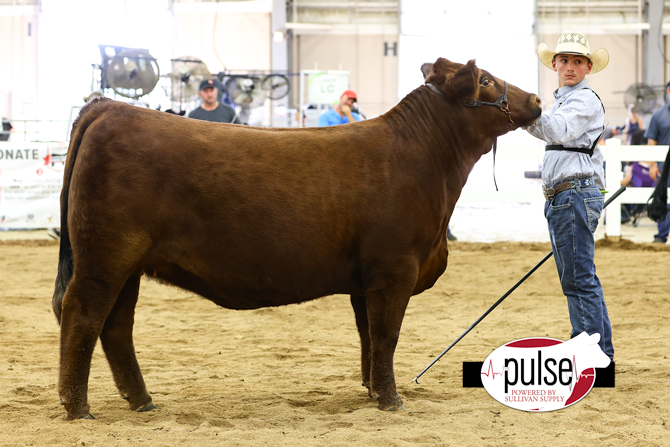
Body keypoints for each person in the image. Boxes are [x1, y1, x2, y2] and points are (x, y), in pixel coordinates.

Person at [524, 31, 613, 360]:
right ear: (555, 65)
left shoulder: (583, 100)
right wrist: (521, 115)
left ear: (588, 67)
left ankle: (589, 355)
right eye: (564, 60)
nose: (570, 66)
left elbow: (557, 130)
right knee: (581, 278)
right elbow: (553, 131)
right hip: (568, 196)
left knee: (578, 280)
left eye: (578, 61)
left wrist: (522, 112)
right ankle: (600, 354)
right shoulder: (567, 102)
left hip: (572, 195)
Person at [644, 81, 670, 243]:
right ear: (668, 91)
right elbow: (652, 140)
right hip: (664, 167)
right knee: (663, 199)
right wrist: (652, 166)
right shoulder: (658, 115)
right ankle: (661, 236)